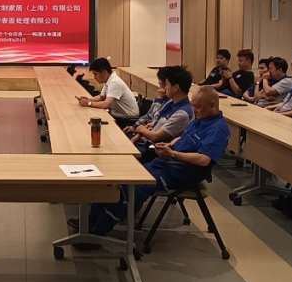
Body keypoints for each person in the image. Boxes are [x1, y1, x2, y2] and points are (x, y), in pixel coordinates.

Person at [86, 86, 229, 239]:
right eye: (193, 106)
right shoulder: (201, 119)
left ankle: (96, 233)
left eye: (198, 107)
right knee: (116, 181)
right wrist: (169, 145)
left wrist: (173, 153)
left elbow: (204, 160)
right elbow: (182, 137)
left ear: (212, 105)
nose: (194, 110)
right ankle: (88, 225)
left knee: (130, 190)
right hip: (165, 163)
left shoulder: (218, 129)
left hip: (181, 173)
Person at [127, 66, 194, 161]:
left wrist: (141, 129)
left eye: (167, 84)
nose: (164, 88)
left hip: (152, 151)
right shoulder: (171, 102)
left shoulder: (182, 113)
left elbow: (155, 137)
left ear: (175, 87)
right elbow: (152, 124)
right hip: (143, 141)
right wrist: (137, 135)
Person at [77, 58, 139, 126]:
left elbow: (106, 104)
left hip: (127, 120)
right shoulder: (109, 80)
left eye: (96, 74)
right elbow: (101, 97)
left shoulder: (115, 82)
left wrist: (89, 103)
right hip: (118, 115)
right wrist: (87, 99)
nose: (94, 77)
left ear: (104, 73)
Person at [124, 67, 171, 132]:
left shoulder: (169, 101)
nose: (158, 83)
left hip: (149, 132)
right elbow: (148, 115)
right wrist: (134, 126)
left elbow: (155, 118)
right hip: (143, 129)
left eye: (159, 80)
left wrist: (159, 99)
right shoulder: (161, 95)